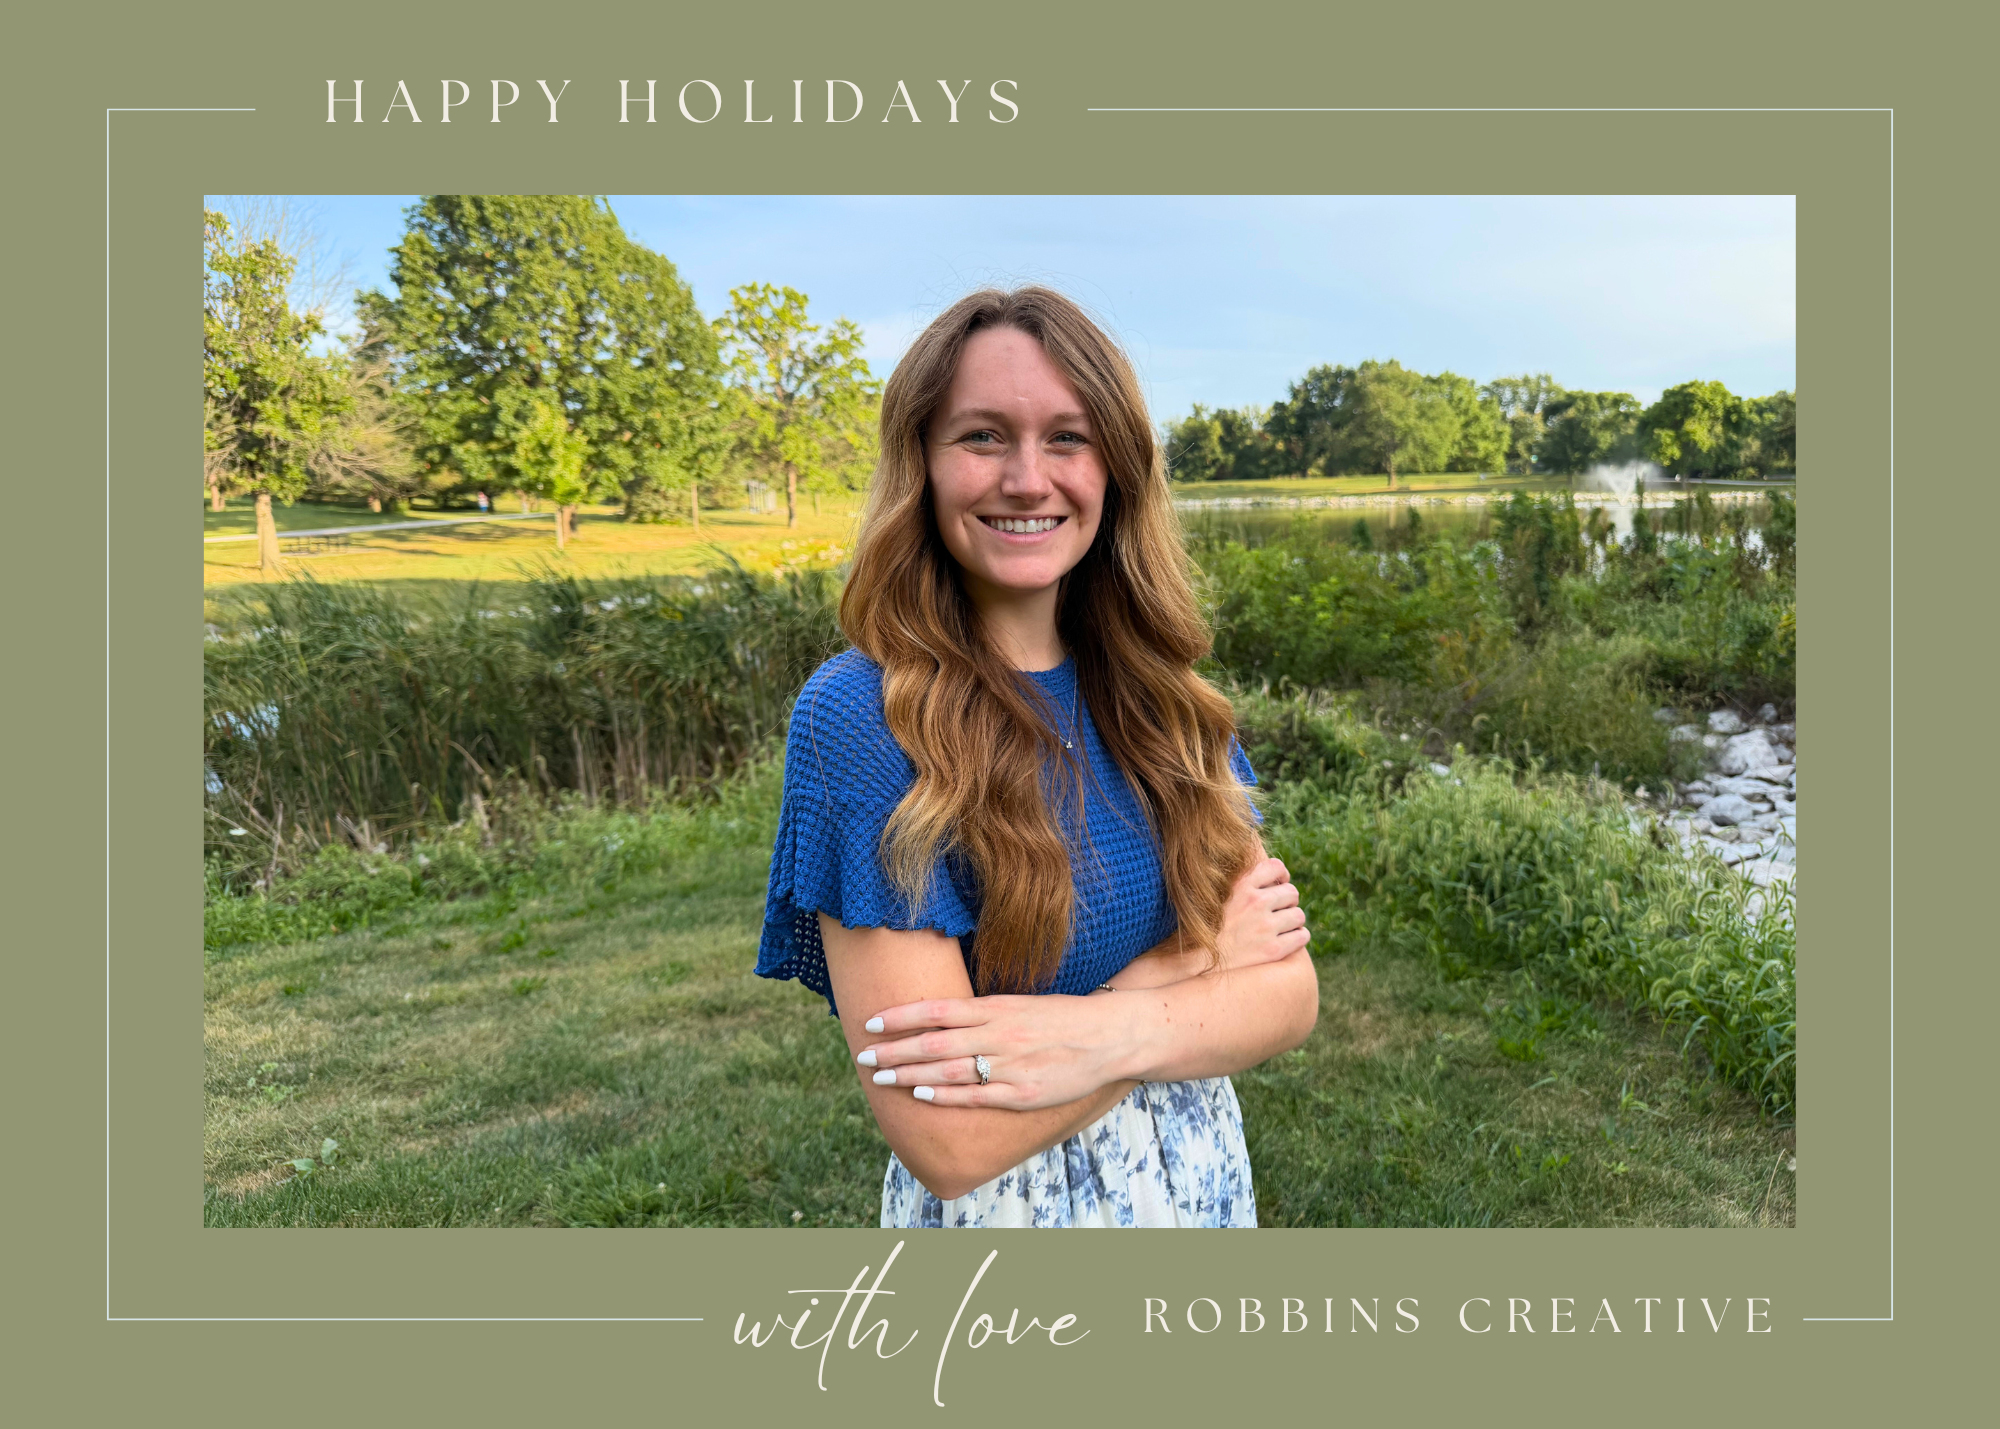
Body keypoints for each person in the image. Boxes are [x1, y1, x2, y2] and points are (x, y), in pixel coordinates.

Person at [756, 288, 1318, 1228]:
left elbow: (1289, 992)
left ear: (1118, 469)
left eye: (1068, 437)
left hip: (1204, 1185)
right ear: (922, 467)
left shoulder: (1163, 696)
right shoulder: (861, 718)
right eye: (982, 436)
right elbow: (950, 1142)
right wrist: (1181, 975)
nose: (1027, 478)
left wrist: (1092, 1032)